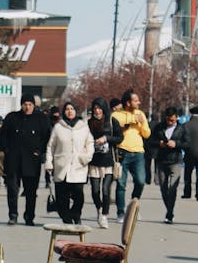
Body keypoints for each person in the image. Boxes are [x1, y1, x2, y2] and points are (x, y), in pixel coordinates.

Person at [0, 92, 50, 226]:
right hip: (14, 161)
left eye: (30, 104)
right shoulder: (12, 117)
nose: (27, 107)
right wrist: (7, 150)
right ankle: (13, 215)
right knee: (12, 189)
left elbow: (47, 137)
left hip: (32, 161)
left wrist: (40, 152)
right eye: (25, 104)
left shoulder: (41, 118)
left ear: (34, 105)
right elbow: (3, 135)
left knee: (31, 191)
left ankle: (29, 216)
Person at [44, 101, 95, 225]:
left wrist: (86, 157)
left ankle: (76, 214)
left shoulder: (83, 127)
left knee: (79, 196)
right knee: (62, 198)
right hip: (61, 166)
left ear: (76, 111)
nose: (70, 111)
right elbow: (51, 146)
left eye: (72, 108)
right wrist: (49, 163)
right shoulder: (58, 127)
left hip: (78, 166)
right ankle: (66, 219)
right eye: (67, 109)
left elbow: (90, 143)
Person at [114, 89, 151, 220]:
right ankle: (120, 212)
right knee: (121, 183)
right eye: (136, 100)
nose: (139, 102)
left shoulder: (140, 113)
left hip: (138, 152)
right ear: (128, 102)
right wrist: (132, 119)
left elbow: (147, 133)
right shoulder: (117, 114)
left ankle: (133, 206)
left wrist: (141, 122)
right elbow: (117, 126)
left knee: (141, 181)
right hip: (122, 152)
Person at [87, 97, 122, 228]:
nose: (97, 111)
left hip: (109, 160)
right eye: (95, 108)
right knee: (95, 191)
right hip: (94, 161)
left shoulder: (112, 121)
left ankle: (105, 215)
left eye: (99, 108)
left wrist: (106, 138)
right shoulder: (88, 123)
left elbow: (120, 138)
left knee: (105, 190)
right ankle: (99, 209)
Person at [150, 106, 185, 223]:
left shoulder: (181, 128)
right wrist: (159, 143)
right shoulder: (159, 127)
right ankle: (170, 211)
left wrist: (176, 144)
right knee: (163, 188)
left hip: (176, 161)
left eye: (173, 120)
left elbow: (187, 143)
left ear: (176, 118)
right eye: (169, 120)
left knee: (173, 187)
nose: (170, 122)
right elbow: (150, 142)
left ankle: (169, 213)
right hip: (162, 161)